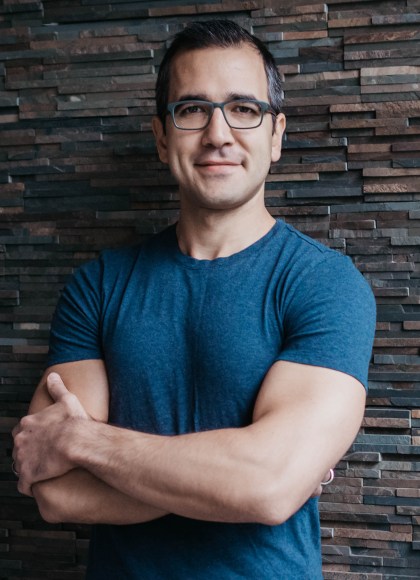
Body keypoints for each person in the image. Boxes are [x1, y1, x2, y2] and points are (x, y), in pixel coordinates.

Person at [12, 20, 376, 579]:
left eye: (244, 108)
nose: (218, 133)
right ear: (162, 137)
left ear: (276, 135)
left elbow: (268, 486)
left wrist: (83, 440)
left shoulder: (325, 285)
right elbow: (57, 492)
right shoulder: (98, 286)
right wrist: (237, 476)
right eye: (192, 110)